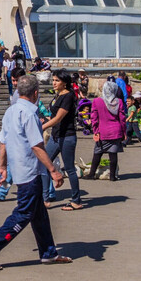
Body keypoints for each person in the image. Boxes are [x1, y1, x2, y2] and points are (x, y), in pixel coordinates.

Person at [0, 75, 72, 270]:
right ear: (35, 93)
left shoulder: (10, 112)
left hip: (19, 169)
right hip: (29, 171)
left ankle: (48, 252)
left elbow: (3, 142)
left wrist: (2, 168)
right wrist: (53, 170)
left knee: (39, 214)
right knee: (24, 212)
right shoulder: (29, 114)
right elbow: (37, 146)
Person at [39, 70, 83, 210]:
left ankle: (76, 201)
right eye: (53, 80)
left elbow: (59, 118)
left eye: (57, 80)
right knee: (44, 163)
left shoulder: (68, 96)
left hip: (67, 137)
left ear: (64, 83)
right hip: (56, 136)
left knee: (70, 169)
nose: (54, 83)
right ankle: (45, 199)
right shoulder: (58, 95)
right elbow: (52, 116)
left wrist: (42, 127)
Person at [86, 81, 127, 180]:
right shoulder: (119, 102)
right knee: (113, 154)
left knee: (97, 153)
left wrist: (95, 131)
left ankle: (92, 174)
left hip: (102, 131)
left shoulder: (97, 101)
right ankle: (112, 176)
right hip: (115, 131)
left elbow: (94, 118)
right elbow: (122, 118)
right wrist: (124, 132)